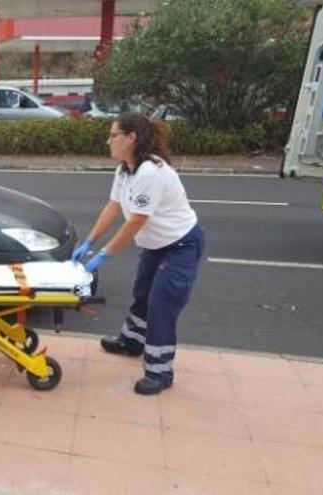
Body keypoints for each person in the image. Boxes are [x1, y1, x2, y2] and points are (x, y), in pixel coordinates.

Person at [71, 113, 205, 395]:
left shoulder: (150, 172)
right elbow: (113, 207)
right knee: (142, 292)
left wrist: (104, 255)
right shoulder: (125, 169)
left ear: (131, 138)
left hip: (180, 245)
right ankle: (131, 342)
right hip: (155, 245)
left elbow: (135, 221)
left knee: (162, 305)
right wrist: (89, 241)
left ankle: (160, 371)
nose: (108, 141)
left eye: (113, 135)